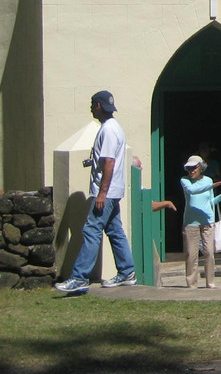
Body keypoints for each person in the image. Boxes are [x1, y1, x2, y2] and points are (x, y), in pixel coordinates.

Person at [55, 90, 137, 294]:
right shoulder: (115, 128)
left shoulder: (108, 130)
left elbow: (109, 161)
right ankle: (127, 272)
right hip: (114, 190)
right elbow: (106, 160)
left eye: (92, 104)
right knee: (115, 230)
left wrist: (101, 193)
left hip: (106, 192)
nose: (91, 108)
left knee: (91, 230)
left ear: (98, 106)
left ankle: (79, 277)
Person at [181, 154, 221, 289]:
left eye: (194, 168)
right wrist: (211, 186)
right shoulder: (185, 180)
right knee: (191, 255)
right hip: (190, 222)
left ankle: (210, 283)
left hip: (207, 221)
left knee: (209, 254)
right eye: (189, 168)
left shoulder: (208, 181)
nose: (191, 171)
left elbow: (210, 202)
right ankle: (191, 284)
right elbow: (192, 191)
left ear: (200, 168)